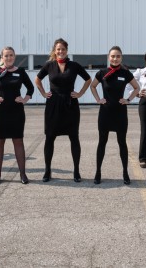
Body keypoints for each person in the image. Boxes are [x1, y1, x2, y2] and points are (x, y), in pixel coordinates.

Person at [34, 38, 92, 182]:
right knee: (49, 138)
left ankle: (76, 171)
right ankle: (47, 171)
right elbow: (37, 79)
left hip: (70, 104)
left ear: (67, 51)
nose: (61, 52)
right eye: (58, 49)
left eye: (63, 49)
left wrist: (80, 93)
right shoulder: (49, 65)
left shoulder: (74, 65)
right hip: (53, 105)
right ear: (55, 51)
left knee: (74, 137)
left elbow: (88, 79)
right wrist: (43, 93)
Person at [0, 47, 34, 184]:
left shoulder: (20, 72)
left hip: (16, 112)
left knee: (18, 141)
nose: (9, 58)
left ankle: (22, 174)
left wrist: (25, 99)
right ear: (2, 57)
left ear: (14, 57)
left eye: (11, 55)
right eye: (6, 56)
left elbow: (30, 88)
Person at [90, 46, 140, 184]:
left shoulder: (125, 73)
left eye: (118, 56)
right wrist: (98, 99)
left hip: (120, 113)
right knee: (102, 143)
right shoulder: (102, 73)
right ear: (108, 57)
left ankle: (125, 173)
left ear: (121, 58)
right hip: (105, 113)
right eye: (113, 56)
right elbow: (92, 86)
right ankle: (98, 172)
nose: (115, 58)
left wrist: (128, 100)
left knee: (122, 143)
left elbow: (137, 88)